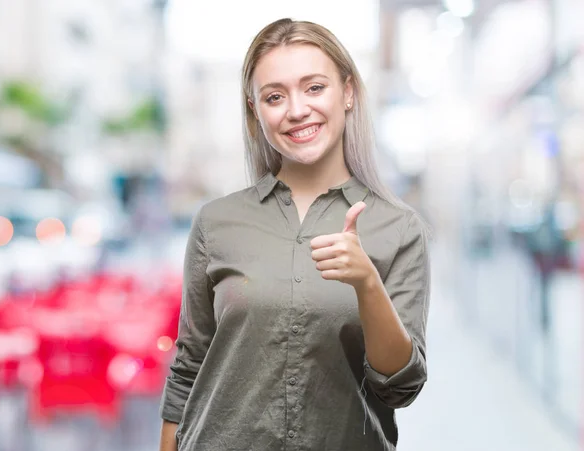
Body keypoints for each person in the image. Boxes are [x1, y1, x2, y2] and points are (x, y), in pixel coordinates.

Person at [159, 18, 431, 451]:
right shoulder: (216, 222)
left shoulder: (398, 228)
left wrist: (367, 283)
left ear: (348, 93)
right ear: (256, 111)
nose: (296, 109)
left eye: (314, 87)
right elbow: (189, 365)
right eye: (274, 96)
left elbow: (400, 388)